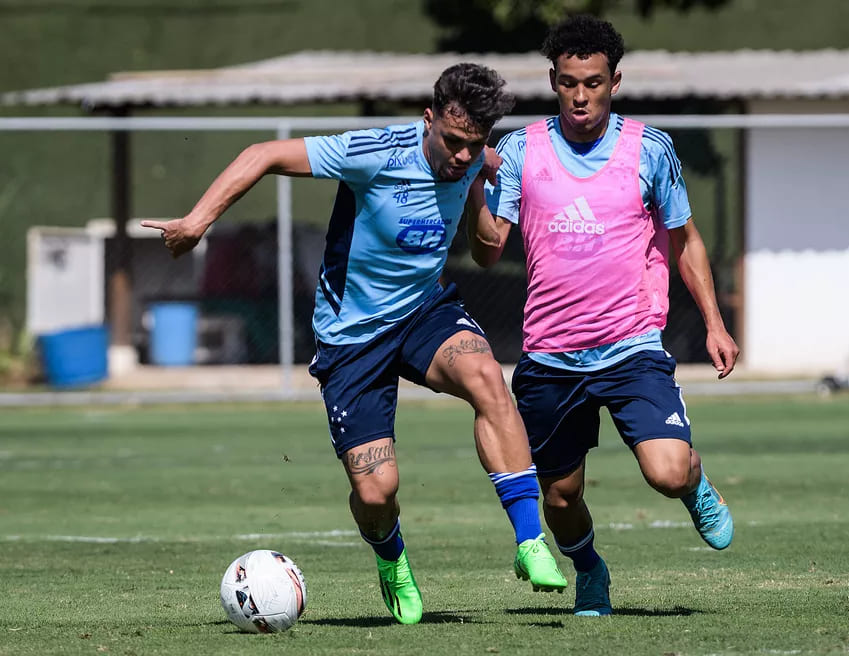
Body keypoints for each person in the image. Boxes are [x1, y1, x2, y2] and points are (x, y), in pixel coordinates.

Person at [143, 63, 566, 626]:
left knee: (487, 377)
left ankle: (530, 541)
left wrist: (485, 198)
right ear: (429, 119)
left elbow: (487, 243)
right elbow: (262, 154)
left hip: (424, 312)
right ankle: (392, 558)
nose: (463, 155)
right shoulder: (372, 151)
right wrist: (198, 221)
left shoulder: (478, 162)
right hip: (352, 337)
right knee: (376, 493)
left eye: (475, 145)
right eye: (454, 142)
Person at [466, 16, 739, 617]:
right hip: (550, 356)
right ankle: (591, 571)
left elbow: (686, 240)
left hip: (632, 345)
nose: (581, 95)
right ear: (553, 82)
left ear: (615, 81)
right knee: (560, 500)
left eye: (593, 82)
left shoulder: (650, 149)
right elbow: (487, 252)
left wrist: (715, 324)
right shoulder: (519, 151)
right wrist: (473, 187)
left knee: (666, 472)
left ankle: (696, 485)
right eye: (568, 83)